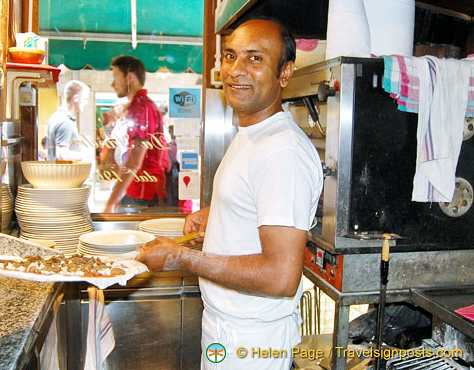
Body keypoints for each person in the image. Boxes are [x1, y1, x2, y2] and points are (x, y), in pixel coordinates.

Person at [136, 18, 323, 369]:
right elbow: (255, 200)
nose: (236, 70)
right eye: (230, 56)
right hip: (227, 330)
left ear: (285, 73)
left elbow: (281, 276)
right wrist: (220, 213)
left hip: (250, 342)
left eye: (255, 59)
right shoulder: (251, 133)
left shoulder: (281, 150)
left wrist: (181, 258)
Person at [104, 55, 169, 212]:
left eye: (116, 77)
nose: (113, 84)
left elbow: (135, 161)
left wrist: (111, 202)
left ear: (130, 77)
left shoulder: (142, 108)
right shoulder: (138, 107)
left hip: (143, 193)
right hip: (138, 190)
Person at [46, 80, 91, 161]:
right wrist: (86, 154)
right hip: (64, 173)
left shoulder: (56, 117)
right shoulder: (65, 122)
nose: (86, 103)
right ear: (76, 98)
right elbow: (62, 155)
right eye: (84, 99)